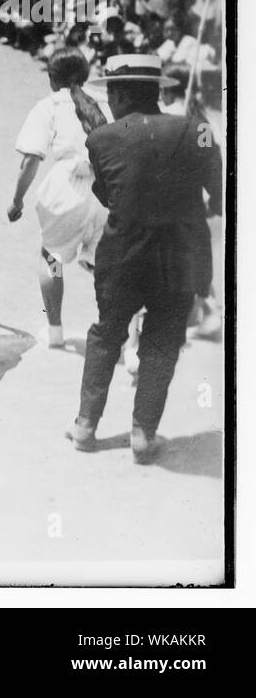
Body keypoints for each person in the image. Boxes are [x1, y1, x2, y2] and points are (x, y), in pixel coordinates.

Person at [66, 55, 223, 463]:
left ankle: (85, 425)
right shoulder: (198, 129)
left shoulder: (101, 139)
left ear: (118, 94)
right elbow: (217, 180)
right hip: (181, 254)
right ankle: (142, 433)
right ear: (155, 91)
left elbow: (107, 194)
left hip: (124, 255)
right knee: (162, 340)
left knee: (107, 333)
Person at [7, 48, 110, 348]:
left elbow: (31, 160)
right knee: (107, 264)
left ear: (52, 78)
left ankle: (55, 330)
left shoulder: (48, 105)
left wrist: (16, 200)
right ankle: (114, 331)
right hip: (106, 190)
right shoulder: (104, 101)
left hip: (67, 193)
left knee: (52, 258)